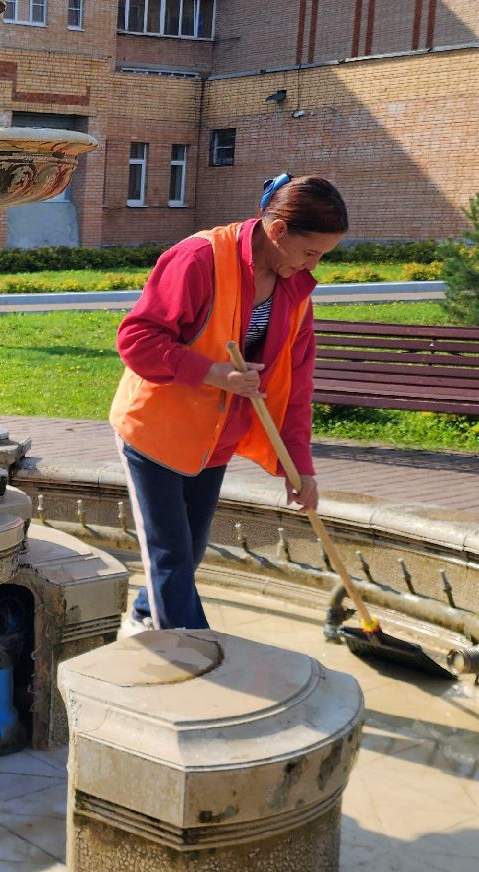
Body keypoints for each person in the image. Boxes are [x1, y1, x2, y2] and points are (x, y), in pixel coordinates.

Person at [108, 174, 347, 632]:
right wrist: (211, 373)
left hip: (214, 438)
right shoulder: (199, 259)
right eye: (310, 252)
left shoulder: (295, 290)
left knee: (190, 551)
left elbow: (296, 385)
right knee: (171, 556)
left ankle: (144, 613)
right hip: (155, 432)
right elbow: (136, 340)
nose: (313, 265)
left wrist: (300, 466)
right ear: (277, 231)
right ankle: (193, 653)